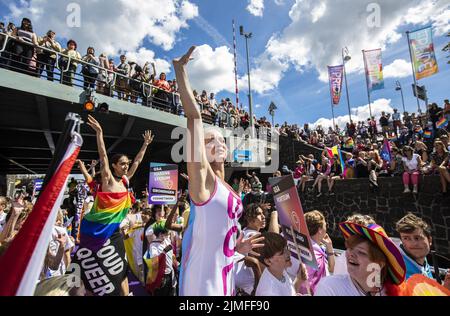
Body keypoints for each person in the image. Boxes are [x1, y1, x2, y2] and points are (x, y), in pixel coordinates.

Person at [173, 46, 263, 296]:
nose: (220, 143)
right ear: (200, 149)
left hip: (225, 275)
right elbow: (194, 118)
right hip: (203, 284)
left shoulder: (226, 186)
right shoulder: (204, 181)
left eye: (222, 140)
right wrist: (181, 71)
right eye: (211, 140)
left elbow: (219, 232)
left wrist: (237, 247)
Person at [74, 115, 154, 296]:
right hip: (94, 231)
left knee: (121, 268)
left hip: (114, 233)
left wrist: (145, 144)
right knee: (90, 269)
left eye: (127, 163)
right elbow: (103, 155)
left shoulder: (125, 181)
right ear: (114, 166)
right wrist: (99, 133)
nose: (126, 166)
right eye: (122, 164)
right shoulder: (107, 179)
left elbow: (138, 162)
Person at [315, 222, 406, 296]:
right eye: (350, 248)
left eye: (361, 252)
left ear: (379, 264)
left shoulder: (389, 292)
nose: (350, 254)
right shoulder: (330, 287)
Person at [304, 211, 335, 294]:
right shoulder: (314, 255)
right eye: (325, 225)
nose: (326, 228)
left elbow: (331, 269)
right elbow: (308, 285)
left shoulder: (307, 247)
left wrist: (329, 246)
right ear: (320, 230)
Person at [395, 213, 434, 281]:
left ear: (429, 240)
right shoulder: (396, 267)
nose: (413, 244)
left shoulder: (423, 261)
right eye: (406, 238)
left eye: (417, 238)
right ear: (401, 240)